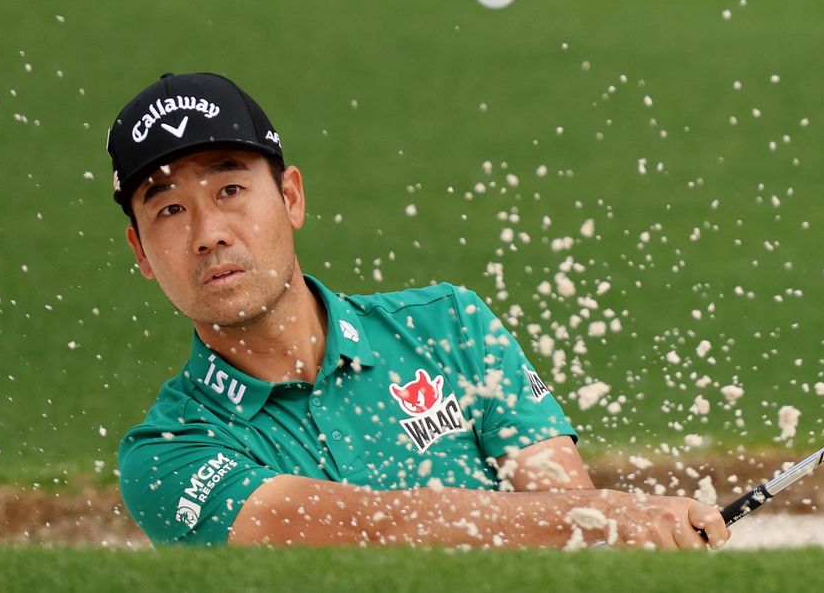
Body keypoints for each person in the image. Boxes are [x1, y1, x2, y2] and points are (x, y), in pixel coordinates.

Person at [108, 72, 729, 549]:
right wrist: (608, 514)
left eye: (231, 189)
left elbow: (562, 513)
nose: (209, 232)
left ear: (291, 197)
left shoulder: (449, 325)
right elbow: (365, 530)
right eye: (168, 208)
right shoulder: (167, 457)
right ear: (141, 250)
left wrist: (611, 528)